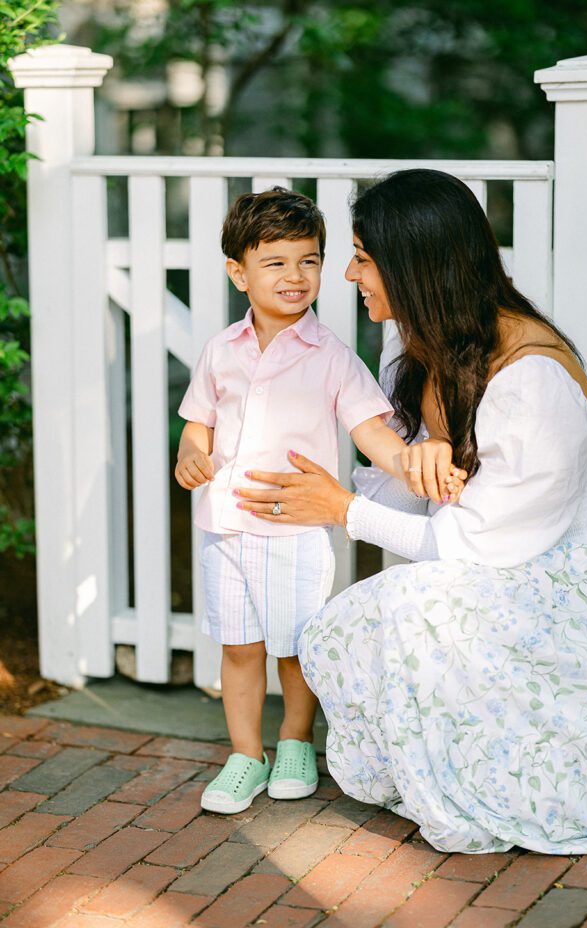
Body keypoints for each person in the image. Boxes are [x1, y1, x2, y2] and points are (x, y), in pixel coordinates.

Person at [235, 169, 587, 854]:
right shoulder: (415, 342)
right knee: (350, 624)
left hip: (585, 577)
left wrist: (344, 510)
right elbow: (406, 479)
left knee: (414, 608)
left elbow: (478, 545)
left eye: (362, 255)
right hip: (498, 563)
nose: (349, 273)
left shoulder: (531, 378)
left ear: (413, 265)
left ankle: (533, 779)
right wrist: (379, 475)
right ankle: (458, 767)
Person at [175, 186, 464, 817]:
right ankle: (246, 755)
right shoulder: (221, 350)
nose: (295, 276)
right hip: (225, 526)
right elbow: (198, 422)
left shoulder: (331, 354)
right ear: (238, 272)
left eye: (308, 260)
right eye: (275, 262)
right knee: (240, 647)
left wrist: (412, 463)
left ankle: (296, 741)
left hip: (295, 529)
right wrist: (189, 454)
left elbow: (370, 430)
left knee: (295, 647)